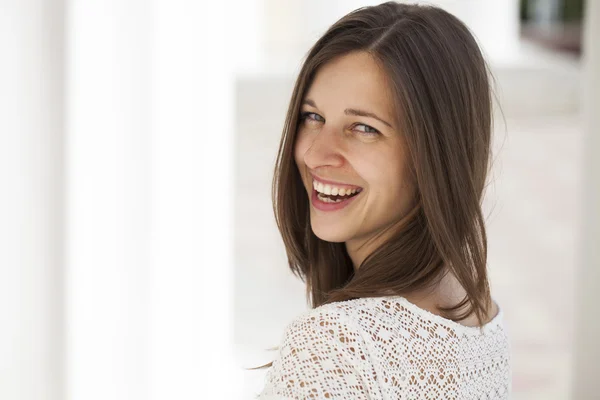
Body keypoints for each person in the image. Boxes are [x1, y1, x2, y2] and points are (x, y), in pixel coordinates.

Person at [252, 2, 511, 398]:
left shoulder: (335, 344)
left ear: (434, 154)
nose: (316, 154)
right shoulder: (476, 308)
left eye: (363, 128)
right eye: (313, 117)